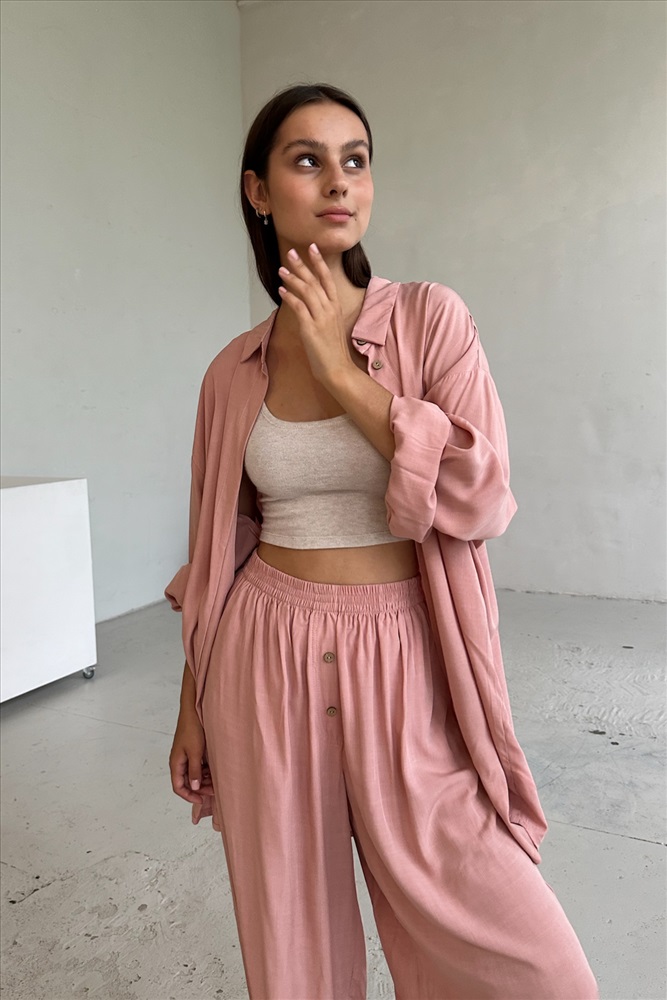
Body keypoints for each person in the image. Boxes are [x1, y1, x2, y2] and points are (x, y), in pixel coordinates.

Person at [166, 82, 599, 1000]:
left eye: (355, 160)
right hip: (260, 653)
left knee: (533, 964)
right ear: (257, 191)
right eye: (307, 160)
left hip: (406, 649)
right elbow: (217, 550)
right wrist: (190, 705)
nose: (338, 181)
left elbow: (480, 494)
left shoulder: (430, 320)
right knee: (290, 944)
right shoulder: (230, 374)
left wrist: (339, 369)